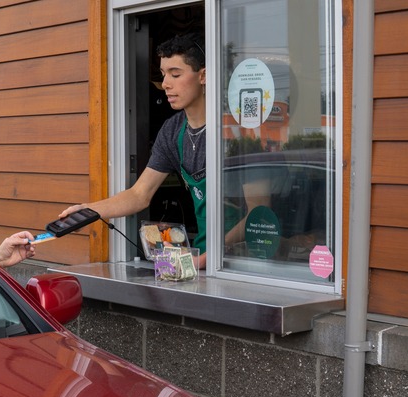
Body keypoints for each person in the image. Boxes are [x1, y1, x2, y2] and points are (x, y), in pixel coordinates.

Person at [59, 33, 266, 268]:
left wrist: (209, 256)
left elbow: (259, 212)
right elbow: (139, 194)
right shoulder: (172, 130)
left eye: (175, 74)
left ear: (203, 76)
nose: (166, 83)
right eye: (163, 74)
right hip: (202, 256)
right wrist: (88, 210)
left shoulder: (236, 130)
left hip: (244, 261)